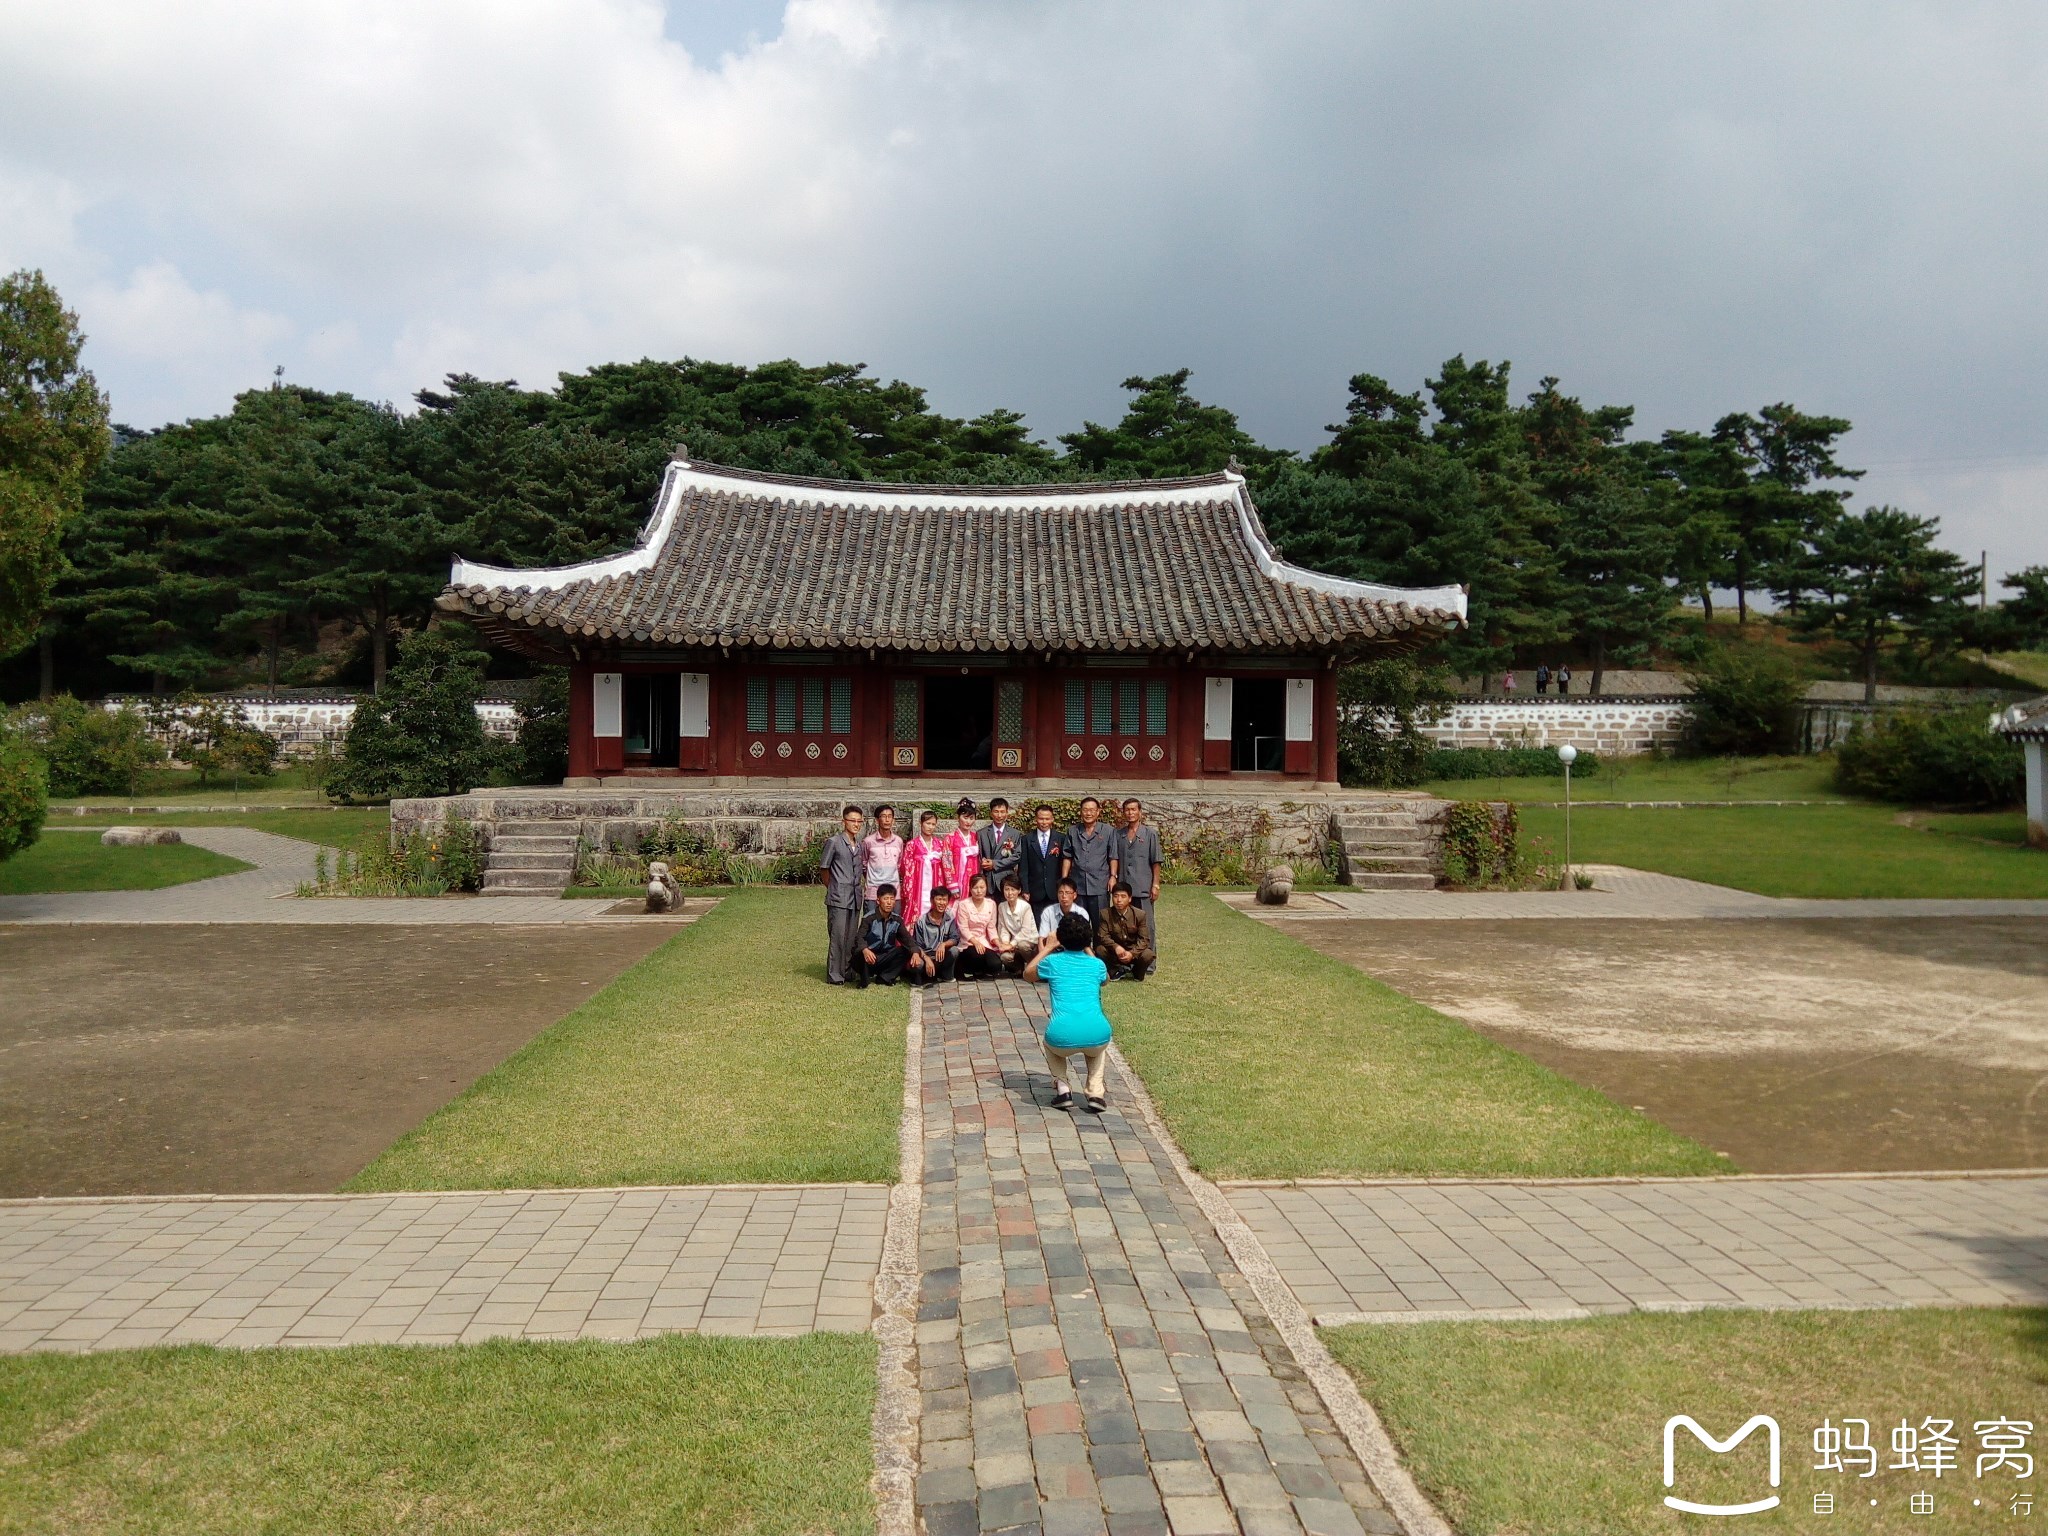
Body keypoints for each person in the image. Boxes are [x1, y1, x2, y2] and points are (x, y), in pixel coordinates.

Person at [1025, 910, 1113, 1113]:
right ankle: (1095, 1092)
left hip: (1060, 1036)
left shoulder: (1052, 962)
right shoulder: (1097, 965)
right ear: (1087, 939)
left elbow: (1028, 974)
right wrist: (1088, 950)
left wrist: (1048, 947)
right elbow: (1106, 979)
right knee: (1098, 1046)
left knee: (1048, 1043)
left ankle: (1063, 1088)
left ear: (1061, 938)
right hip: (1097, 1033)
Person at [1108, 796, 1163, 968]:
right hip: (1124, 887)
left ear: (1140, 812)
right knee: (1124, 926)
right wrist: (1114, 877)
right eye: (1127, 810)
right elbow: (1114, 857)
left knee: (1147, 925)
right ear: (1123, 812)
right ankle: (1126, 961)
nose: (1130, 813)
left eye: (1134, 809)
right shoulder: (1118, 834)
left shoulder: (1150, 834)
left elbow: (1156, 862)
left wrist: (1155, 884)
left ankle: (1148, 961)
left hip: (1143, 886)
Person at [818, 804, 865, 985]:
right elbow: (824, 868)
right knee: (837, 936)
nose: (855, 824)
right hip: (838, 896)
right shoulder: (834, 842)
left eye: (859, 821)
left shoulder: (859, 845)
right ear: (844, 821)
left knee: (851, 936)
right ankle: (834, 974)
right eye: (852, 820)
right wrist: (832, 887)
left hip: (855, 896)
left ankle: (848, 971)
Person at [1094, 880, 1155, 982]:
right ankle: (1115, 970)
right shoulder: (1105, 914)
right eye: (1116, 896)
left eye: (1123, 896)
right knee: (1100, 949)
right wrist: (1116, 947)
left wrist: (1132, 954)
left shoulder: (1139, 914)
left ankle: (1136, 972)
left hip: (1133, 953)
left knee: (1148, 954)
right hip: (1114, 954)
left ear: (1130, 898)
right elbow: (1103, 936)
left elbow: (1144, 940)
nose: (1119, 900)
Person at [852, 883, 909, 988]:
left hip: (884, 957)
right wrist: (865, 949)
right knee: (859, 952)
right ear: (878, 901)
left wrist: (915, 952)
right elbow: (859, 938)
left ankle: (884, 977)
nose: (889, 902)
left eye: (892, 899)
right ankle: (864, 980)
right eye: (885, 899)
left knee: (905, 950)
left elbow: (907, 939)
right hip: (868, 957)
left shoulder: (897, 920)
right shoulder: (868, 918)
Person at [1063, 795, 1114, 913]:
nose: (1088, 813)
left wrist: (1113, 876)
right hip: (1078, 884)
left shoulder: (1108, 831)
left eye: (1091, 810)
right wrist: (1065, 880)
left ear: (1098, 812)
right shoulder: (1073, 831)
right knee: (1078, 923)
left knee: (1101, 923)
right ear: (1081, 812)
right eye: (1085, 810)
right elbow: (1067, 856)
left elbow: (1113, 856)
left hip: (1099, 884)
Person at [952, 872, 1005, 980]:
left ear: (986, 887)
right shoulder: (963, 904)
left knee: (996, 965)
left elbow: (991, 928)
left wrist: (998, 943)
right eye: (975, 888)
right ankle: (966, 968)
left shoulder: (991, 904)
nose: (979, 891)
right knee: (977, 956)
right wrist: (975, 942)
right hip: (968, 942)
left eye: (982, 887)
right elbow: (963, 928)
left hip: (983, 941)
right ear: (970, 889)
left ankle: (980, 971)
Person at [975, 797, 1024, 905]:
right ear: (991, 813)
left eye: (1002, 812)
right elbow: (978, 855)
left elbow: (1017, 856)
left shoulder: (1014, 834)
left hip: (1006, 879)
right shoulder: (981, 833)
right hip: (988, 880)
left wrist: (995, 864)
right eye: (996, 811)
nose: (999, 815)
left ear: (1007, 813)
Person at [1020, 803, 1067, 917]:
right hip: (1035, 891)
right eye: (1041, 819)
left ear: (1052, 819)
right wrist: (1025, 889)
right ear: (1036, 819)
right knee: (1038, 926)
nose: (1044, 822)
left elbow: (1064, 865)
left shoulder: (1061, 838)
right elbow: (1023, 867)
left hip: (1055, 890)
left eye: (1047, 819)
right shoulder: (1027, 839)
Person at [901, 809, 946, 926]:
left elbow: (946, 866)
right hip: (917, 886)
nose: (930, 827)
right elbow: (906, 867)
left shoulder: (940, 844)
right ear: (920, 824)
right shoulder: (912, 844)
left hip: (935, 882)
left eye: (933, 824)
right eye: (927, 823)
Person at [907, 886, 960, 986]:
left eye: (944, 900)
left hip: (940, 957)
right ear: (932, 901)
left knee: (954, 950)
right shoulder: (921, 921)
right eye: (939, 899)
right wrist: (926, 959)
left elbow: (955, 938)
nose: (942, 903)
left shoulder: (950, 918)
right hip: (925, 956)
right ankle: (920, 978)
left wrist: (943, 944)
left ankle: (945, 975)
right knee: (917, 965)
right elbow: (917, 945)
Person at [858, 805, 903, 907]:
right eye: (883, 816)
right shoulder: (868, 841)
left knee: (894, 922)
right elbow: (864, 864)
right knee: (872, 922)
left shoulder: (898, 841)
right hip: (873, 893)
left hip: (893, 892)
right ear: (877, 820)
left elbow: (899, 865)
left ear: (893, 820)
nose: (887, 820)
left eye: (889, 816)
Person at [994, 874, 1039, 975]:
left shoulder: (1025, 906)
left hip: (1029, 941)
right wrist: (1005, 943)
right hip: (1014, 943)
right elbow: (1003, 928)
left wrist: (1011, 944)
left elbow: (1025, 931)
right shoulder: (1002, 906)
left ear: (1019, 891)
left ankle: (1033, 968)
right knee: (1004, 957)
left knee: (1022, 945)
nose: (1010, 893)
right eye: (1007, 889)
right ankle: (1019, 969)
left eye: (1013, 889)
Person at [941, 798, 981, 898]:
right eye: (965, 817)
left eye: (971, 818)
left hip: (974, 879)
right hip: (958, 880)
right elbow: (947, 862)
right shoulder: (950, 838)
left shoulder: (977, 837)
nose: (968, 821)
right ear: (958, 817)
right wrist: (952, 885)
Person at [1036, 877, 1091, 949]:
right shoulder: (1048, 912)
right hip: (1053, 950)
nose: (1064, 896)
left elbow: (1084, 940)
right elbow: (1041, 939)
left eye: (1067, 893)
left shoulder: (1082, 913)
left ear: (1074, 895)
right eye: (1061, 892)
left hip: (1074, 950)